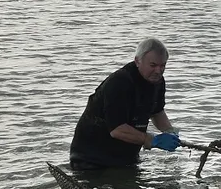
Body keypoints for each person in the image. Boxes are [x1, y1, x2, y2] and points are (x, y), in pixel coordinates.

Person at [69, 38, 180, 170]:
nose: (158, 71)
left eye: (163, 66)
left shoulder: (158, 81)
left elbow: (157, 111)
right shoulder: (119, 83)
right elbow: (117, 130)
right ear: (137, 61)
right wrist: (152, 140)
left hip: (126, 158)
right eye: (153, 65)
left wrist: (170, 132)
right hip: (91, 159)